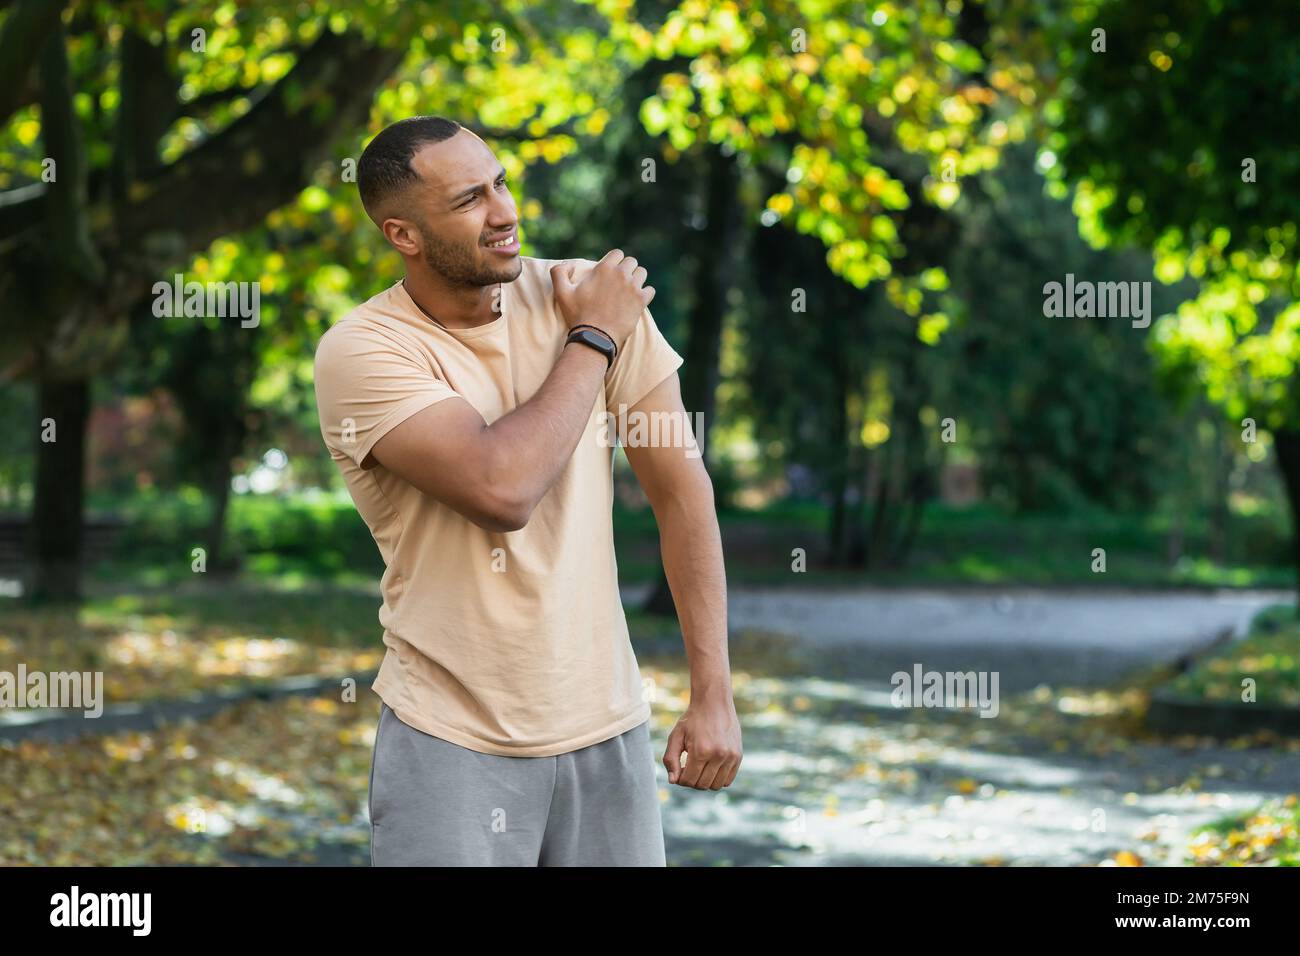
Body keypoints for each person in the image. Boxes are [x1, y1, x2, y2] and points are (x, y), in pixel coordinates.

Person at [312, 116, 741, 866]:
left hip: (606, 730)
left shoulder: (584, 296)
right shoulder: (364, 351)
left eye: (502, 182)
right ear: (404, 235)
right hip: (449, 739)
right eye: (470, 199)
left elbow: (682, 495)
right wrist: (595, 340)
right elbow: (502, 489)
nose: (505, 211)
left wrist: (714, 694)